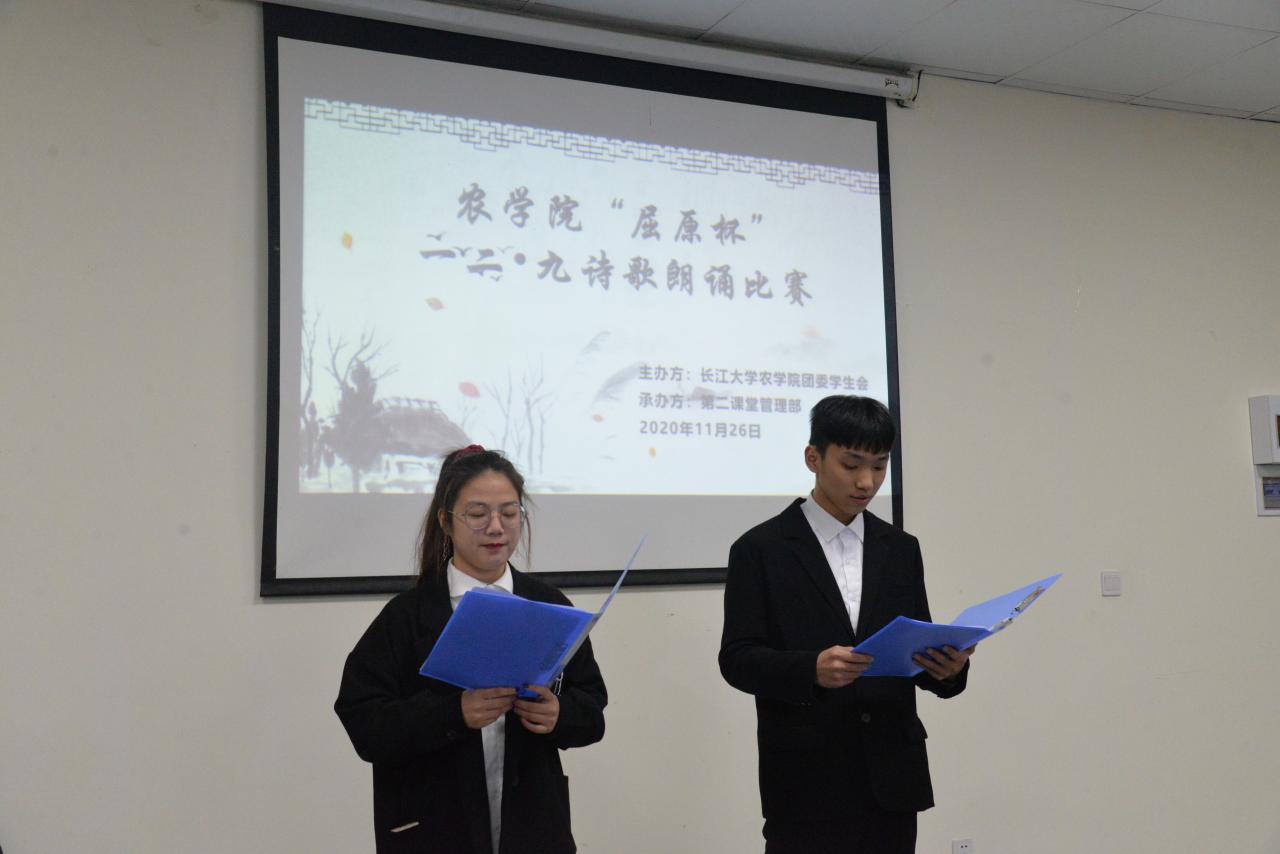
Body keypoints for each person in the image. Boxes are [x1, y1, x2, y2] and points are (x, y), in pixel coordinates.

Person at [719, 395, 972, 854]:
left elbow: (913, 647)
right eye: (851, 464)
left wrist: (948, 670)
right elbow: (737, 659)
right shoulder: (760, 549)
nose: (866, 481)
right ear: (813, 458)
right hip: (806, 779)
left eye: (879, 465)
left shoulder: (901, 548)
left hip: (892, 778)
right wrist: (810, 669)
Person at [335, 445, 607, 854]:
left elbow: (592, 708)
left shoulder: (548, 605)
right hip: (433, 829)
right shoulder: (407, 616)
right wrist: (452, 714)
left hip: (533, 826)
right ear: (446, 521)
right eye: (478, 514)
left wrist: (559, 714)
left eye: (509, 513)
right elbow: (365, 724)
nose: (496, 528)